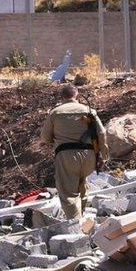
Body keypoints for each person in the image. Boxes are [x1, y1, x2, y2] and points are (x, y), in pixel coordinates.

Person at [39, 84, 109, 219]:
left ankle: (76, 226)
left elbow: (45, 138)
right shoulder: (89, 110)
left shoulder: (55, 112)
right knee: (82, 186)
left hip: (66, 156)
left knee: (68, 194)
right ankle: (81, 217)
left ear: (62, 96)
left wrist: (58, 141)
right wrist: (103, 156)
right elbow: (102, 132)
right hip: (89, 157)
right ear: (77, 95)